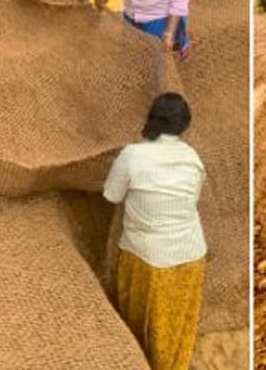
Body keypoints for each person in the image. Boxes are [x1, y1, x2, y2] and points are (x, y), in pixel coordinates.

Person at [103, 93, 206, 370]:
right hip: (190, 257)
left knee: (140, 327)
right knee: (175, 331)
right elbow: (190, 201)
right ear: (184, 124)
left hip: (146, 259)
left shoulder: (132, 155)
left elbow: (111, 195)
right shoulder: (192, 158)